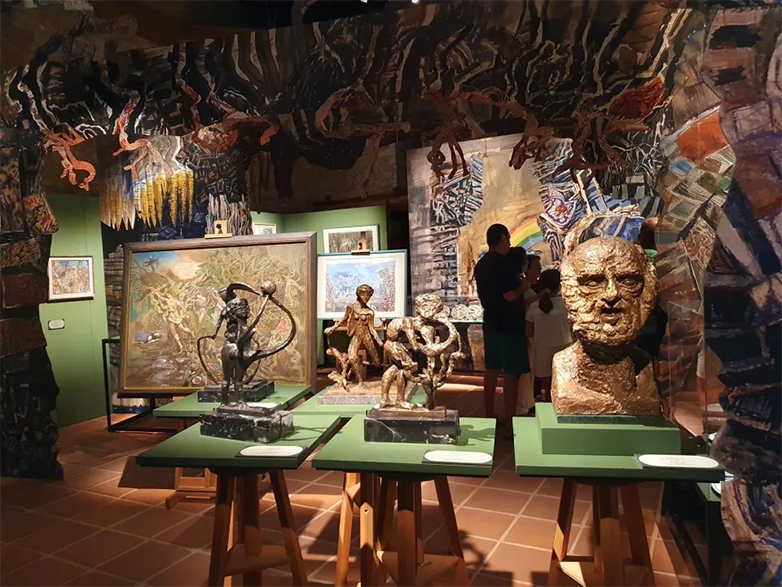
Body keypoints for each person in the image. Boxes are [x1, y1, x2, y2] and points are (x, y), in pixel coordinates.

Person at [474, 224, 531, 438]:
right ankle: (510, 421)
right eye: (508, 238)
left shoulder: (481, 264)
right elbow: (508, 296)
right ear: (502, 238)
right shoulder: (505, 264)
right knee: (511, 373)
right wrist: (522, 288)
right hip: (510, 324)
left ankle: (489, 412)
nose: (509, 242)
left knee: (491, 369)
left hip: (490, 322)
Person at [525, 269, 572, 402]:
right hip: (565, 346)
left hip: (542, 348)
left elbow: (528, 332)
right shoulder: (567, 305)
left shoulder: (534, 307)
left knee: (547, 382)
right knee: (565, 381)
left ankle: (548, 404)